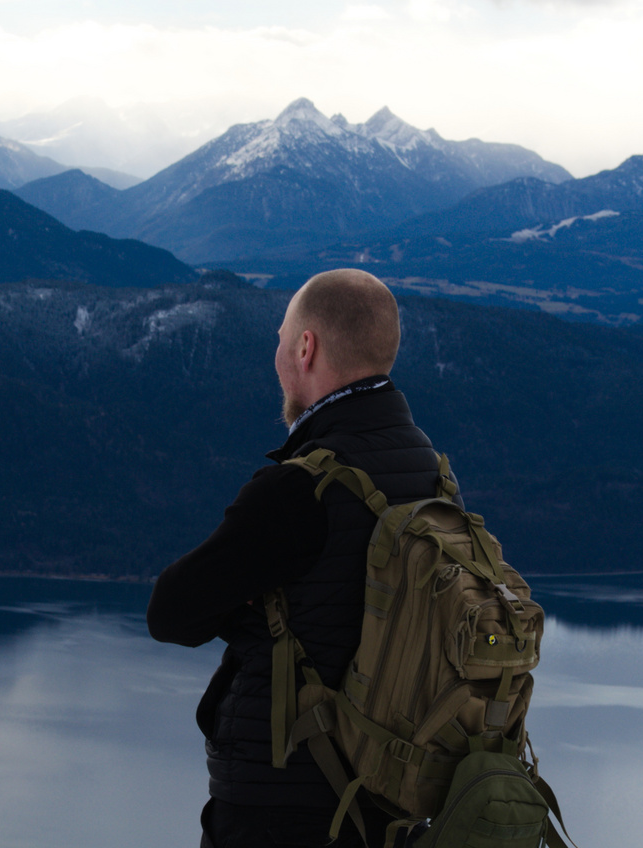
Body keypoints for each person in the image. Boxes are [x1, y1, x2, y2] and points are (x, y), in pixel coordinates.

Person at [147, 269, 443, 848]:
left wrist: (247, 606)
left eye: (281, 338)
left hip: (284, 811)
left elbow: (172, 613)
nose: (277, 354)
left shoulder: (301, 488)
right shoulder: (429, 469)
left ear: (305, 348)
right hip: (392, 809)